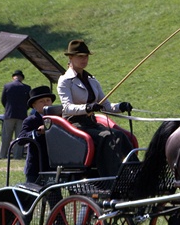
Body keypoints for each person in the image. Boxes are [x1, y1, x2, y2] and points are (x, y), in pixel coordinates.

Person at [57, 39, 135, 177]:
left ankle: (134, 171)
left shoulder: (92, 80)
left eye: (86, 56)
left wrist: (121, 106)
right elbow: (67, 108)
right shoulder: (64, 81)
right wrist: (87, 107)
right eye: (80, 56)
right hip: (75, 125)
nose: (84, 59)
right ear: (70, 57)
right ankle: (111, 177)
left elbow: (106, 105)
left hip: (91, 123)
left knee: (120, 135)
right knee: (106, 136)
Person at [18, 85, 56, 183]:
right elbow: (21, 138)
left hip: (53, 165)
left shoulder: (57, 118)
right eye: (41, 101)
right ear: (34, 106)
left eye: (48, 100)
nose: (46, 103)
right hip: (36, 165)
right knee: (31, 195)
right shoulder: (30, 120)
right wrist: (37, 132)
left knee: (54, 196)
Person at [0, 70, 31, 159]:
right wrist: (25, 109)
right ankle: (17, 156)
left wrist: (8, 108)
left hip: (9, 114)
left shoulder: (7, 86)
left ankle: (2, 155)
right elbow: (29, 102)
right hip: (22, 115)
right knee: (19, 137)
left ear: (14, 77)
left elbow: (3, 100)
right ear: (22, 78)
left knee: (6, 136)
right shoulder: (27, 88)